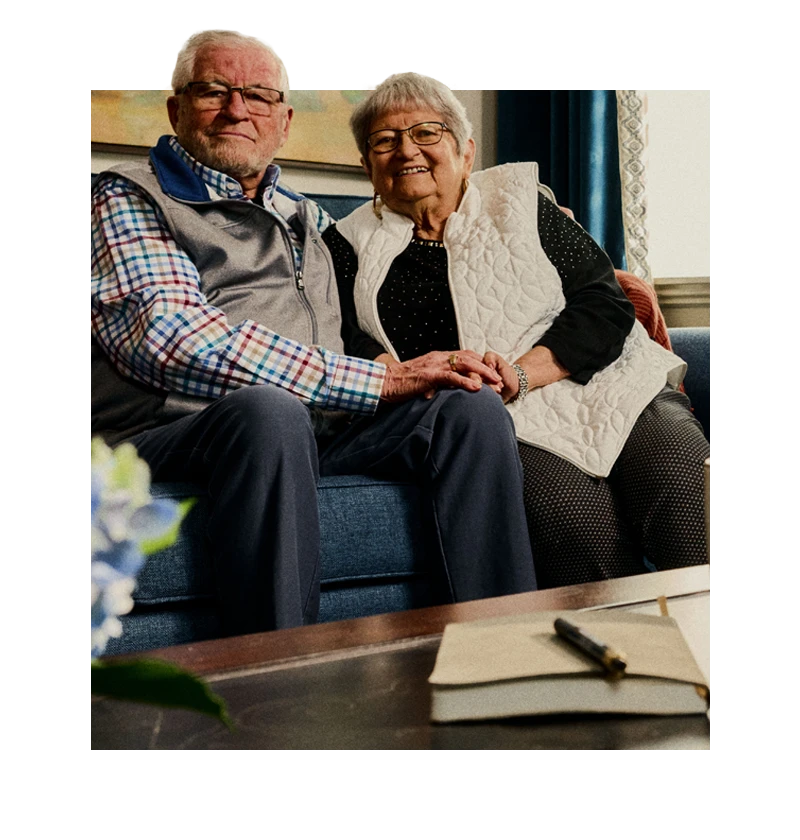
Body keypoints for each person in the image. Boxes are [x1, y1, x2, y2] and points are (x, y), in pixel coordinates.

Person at [89, 30, 537, 638]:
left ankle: (505, 653)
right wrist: (380, 377)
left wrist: (538, 258)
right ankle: (277, 679)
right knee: (269, 413)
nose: (237, 109)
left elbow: (406, 268)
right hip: (173, 430)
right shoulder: (126, 196)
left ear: (284, 121)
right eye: (213, 91)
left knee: (468, 407)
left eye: (258, 96)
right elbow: (171, 339)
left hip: (315, 430)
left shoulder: (304, 216)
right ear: (177, 110)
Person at [323, 72, 711, 588]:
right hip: (498, 418)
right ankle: (619, 663)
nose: (405, 149)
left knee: (686, 493)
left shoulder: (522, 204)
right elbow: (346, 339)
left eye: (425, 132)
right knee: (572, 526)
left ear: (465, 150)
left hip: (609, 386)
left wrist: (524, 373)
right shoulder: (344, 246)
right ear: (367, 163)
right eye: (384, 140)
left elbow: (605, 303)